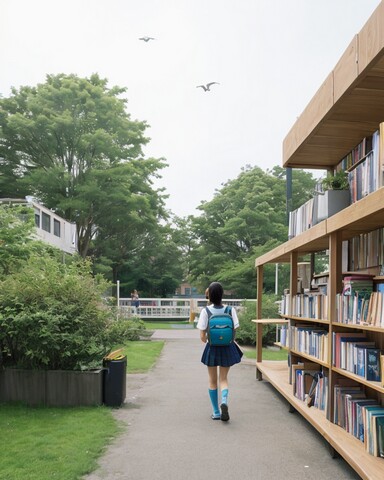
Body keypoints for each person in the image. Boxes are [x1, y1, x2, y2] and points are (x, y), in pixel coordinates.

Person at [197, 282, 243, 421]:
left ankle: (216, 412)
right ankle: (224, 400)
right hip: (227, 348)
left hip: (212, 348)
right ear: (222, 294)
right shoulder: (230, 310)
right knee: (223, 379)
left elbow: (202, 337)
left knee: (212, 381)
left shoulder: (206, 311)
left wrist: (209, 339)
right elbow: (235, 330)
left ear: (209, 295)